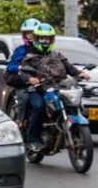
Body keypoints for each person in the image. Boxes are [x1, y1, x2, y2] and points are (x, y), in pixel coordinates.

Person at [18, 23, 90, 151]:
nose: (45, 41)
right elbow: (23, 72)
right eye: (42, 38)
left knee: (75, 104)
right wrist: (30, 79)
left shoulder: (57, 55)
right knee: (38, 106)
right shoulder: (30, 57)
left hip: (58, 88)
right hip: (39, 89)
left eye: (48, 39)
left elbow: (70, 68)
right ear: (36, 39)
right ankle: (32, 138)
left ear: (52, 40)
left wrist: (80, 73)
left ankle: (70, 131)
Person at [5, 18, 40, 128]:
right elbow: (10, 67)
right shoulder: (20, 50)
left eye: (33, 33)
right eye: (28, 33)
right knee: (25, 98)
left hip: (41, 83)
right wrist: (19, 67)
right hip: (23, 82)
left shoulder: (44, 50)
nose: (30, 35)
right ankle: (21, 121)